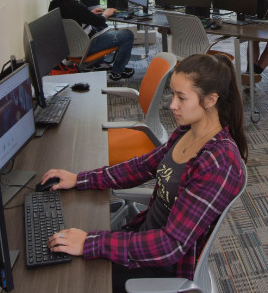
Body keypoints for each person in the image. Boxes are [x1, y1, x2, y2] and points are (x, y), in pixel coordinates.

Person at [38, 54, 248, 293]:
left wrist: (91, 242)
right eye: (172, 94)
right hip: (142, 238)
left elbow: (170, 245)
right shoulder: (187, 131)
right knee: (62, 261)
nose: (172, 105)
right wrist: (80, 178)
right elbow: (142, 166)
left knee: (68, 280)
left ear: (210, 100)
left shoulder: (220, 163)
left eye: (181, 98)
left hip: (162, 265)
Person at [49, 0, 136, 80]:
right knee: (127, 35)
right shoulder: (76, 6)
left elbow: (74, 17)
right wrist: (106, 14)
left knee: (100, 28)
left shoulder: (53, 4)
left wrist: (89, 14)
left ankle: (97, 63)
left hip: (67, 48)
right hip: (86, 46)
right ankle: (118, 71)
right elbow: (99, 21)